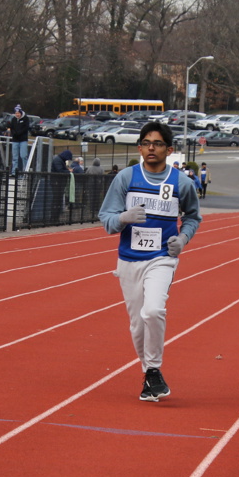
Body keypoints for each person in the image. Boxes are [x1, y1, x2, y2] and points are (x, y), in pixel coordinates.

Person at [98, 122, 202, 402]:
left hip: (162, 258)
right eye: (146, 143)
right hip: (129, 260)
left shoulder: (181, 182)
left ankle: (153, 368)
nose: (151, 148)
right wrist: (122, 218)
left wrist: (183, 238)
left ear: (169, 149)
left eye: (157, 143)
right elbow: (106, 219)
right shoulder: (126, 178)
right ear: (140, 148)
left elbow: (193, 217)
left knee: (153, 311)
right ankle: (149, 375)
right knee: (137, 325)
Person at [8, 105, 30, 176]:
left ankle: (25, 171)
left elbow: (26, 128)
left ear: (21, 113)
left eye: (18, 113)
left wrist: (19, 133)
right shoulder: (14, 119)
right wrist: (14, 133)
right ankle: (14, 172)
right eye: (16, 113)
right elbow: (12, 128)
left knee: (23, 156)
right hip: (15, 140)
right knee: (15, 157)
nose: (17, 114)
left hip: (23, 140)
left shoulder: (26, 119)